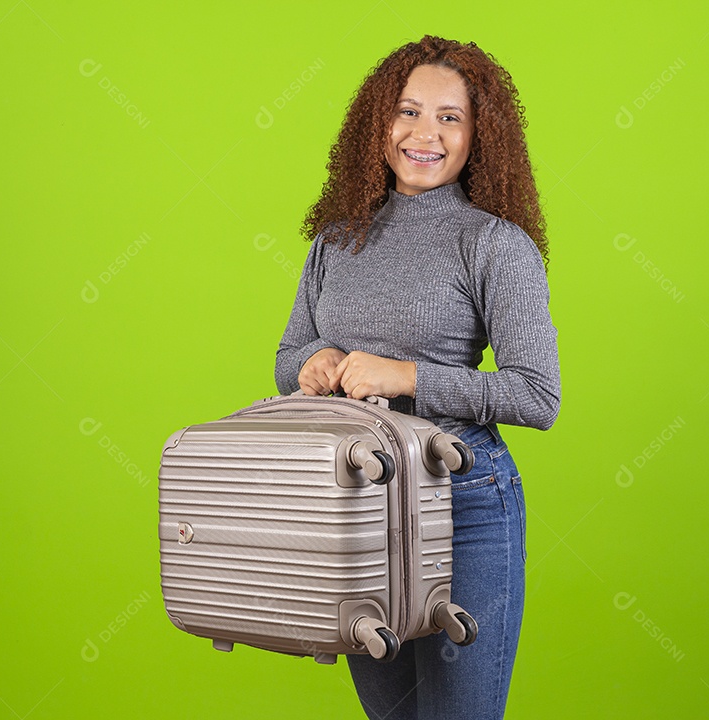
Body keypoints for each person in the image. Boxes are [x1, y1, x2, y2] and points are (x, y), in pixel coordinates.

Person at [274, 35, 560, 720]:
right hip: (359, 505)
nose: (424, 133)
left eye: (449, 117)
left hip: (463, 502)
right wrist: (310, 365)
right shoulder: (337, 238)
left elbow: (537, 395)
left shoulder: (495, 244)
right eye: (408, 112)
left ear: (477, 137)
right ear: (379, 124)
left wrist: (404, 375)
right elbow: (289, 356)